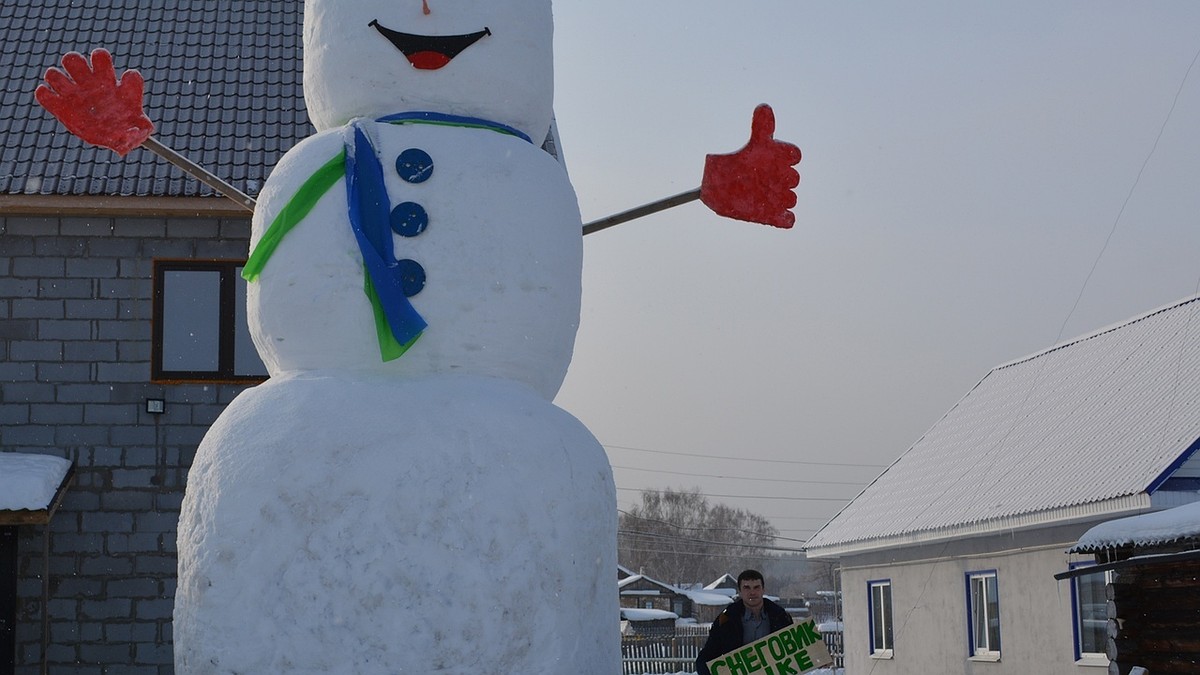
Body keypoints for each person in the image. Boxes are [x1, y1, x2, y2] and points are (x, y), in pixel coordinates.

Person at [695, 569, 793, 675]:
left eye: (756, 587)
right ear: (740, 591)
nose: (752, 592)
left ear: (763, 589)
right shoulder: (726, 620)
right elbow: (706, 657)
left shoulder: (781, 616)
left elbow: (795, 650)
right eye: (747, 587)